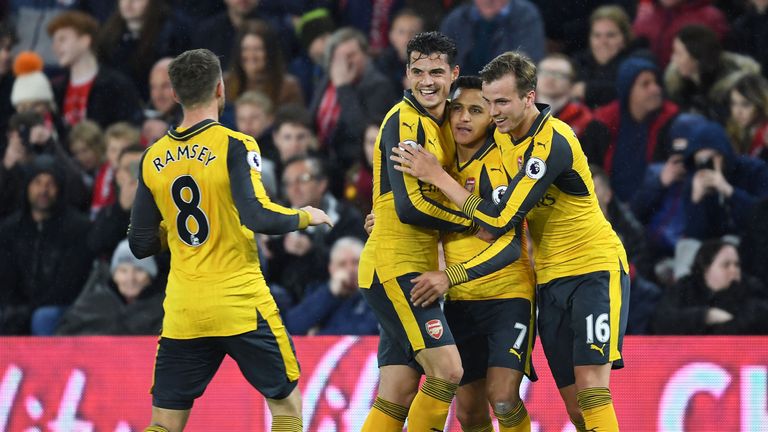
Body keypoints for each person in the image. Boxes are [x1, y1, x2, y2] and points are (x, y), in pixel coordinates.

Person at [392, 51, 630, 432]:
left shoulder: (552, 141)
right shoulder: (503, 140)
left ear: (529, 97)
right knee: (576, 410)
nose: (494, 112)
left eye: (501, 101)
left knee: (591, 389)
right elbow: (485, 216)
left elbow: (500, 220)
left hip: (592, 269)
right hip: (548, 279)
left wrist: (438, 176)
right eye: (489, 102)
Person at [127, 48, 332, 432]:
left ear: (174, 95)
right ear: (221, 89)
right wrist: (305, 215)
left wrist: (172, 229)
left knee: (165, 422)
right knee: (286, 405)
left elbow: (140, 244)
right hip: (239, 303)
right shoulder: (235, 145)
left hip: (184, 310)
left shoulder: (152, 158)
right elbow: (257, 216)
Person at [369, 75, 539, 431]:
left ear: (492, 117)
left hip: (508, 298)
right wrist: (383, 223)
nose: (462, 117)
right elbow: (415, 209)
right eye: (457, 108)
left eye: (475, 110)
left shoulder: (502, 163)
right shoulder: (435, 161)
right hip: (459, 301)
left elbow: (507, 243)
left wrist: (450, 275)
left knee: (504, 397)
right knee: (469, 412)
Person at [357, 31, 474, 432]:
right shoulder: (404, 121)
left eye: (437, 72)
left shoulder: (444, 120)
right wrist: (473, 219)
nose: (428, 80)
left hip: (409, 265)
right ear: (406, 74)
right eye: (419, 71)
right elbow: (408, 207)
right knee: (447, 371)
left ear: (454, 74)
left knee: (398, 391)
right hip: (396, 269)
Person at [592, 56, 679, 202]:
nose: (655, 89)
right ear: (627, 90)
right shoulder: (601, 123)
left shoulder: (671, 123)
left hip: (655, 208)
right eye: (645, 84)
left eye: (656, 82)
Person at [47, 10, 144, 129]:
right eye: (54, 41)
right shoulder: (55, 90)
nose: (55, 47)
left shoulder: (117, 86)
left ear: (85, 41)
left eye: (62, 39)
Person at [652, 239, 768, 335]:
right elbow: (662, 322)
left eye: (737, 265)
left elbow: (758, 318)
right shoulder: (684, 289)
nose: (734, 270)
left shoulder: (751, 289)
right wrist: (705, 316)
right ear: (706, 268)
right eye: (726, 265)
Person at [56, 239, 164, 335]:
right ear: (114, 275)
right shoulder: (92, 302)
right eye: (123, 271)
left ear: (151, 276)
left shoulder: (164, 308)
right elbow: (63, 337)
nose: (130, 278)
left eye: (139, 270)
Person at [665, 24, 760, 123]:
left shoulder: (737, 91)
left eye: (678, 53)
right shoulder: (679, 89)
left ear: (697, 58)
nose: (673, 59)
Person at [284, 237, 377, 335]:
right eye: (342, 264)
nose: (350, 270)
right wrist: (330, 293)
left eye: (356, 262)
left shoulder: (377, 296)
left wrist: (317, 335)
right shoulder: (317, 292)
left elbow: (368, 331)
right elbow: (292, 327)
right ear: (331, 269)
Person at [439, 0, 546, 74]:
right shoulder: (457, 19)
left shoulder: (525, 15)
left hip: (505, 87)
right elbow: (443, 60)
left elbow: (529, 58)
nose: (489, 1)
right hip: (461, 87)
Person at [224, 20, 303, 108]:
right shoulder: (225, 84)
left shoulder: (288, 87)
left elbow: (293, 120)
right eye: (245, 49)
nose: (251, 55)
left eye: (258, 49)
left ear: (269, 53)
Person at [725, 73, 768, 160]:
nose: (737, 111)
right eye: (733, 103)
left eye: (746, 104)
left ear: (761, 105)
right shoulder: (735, 129)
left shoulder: (765, 133)